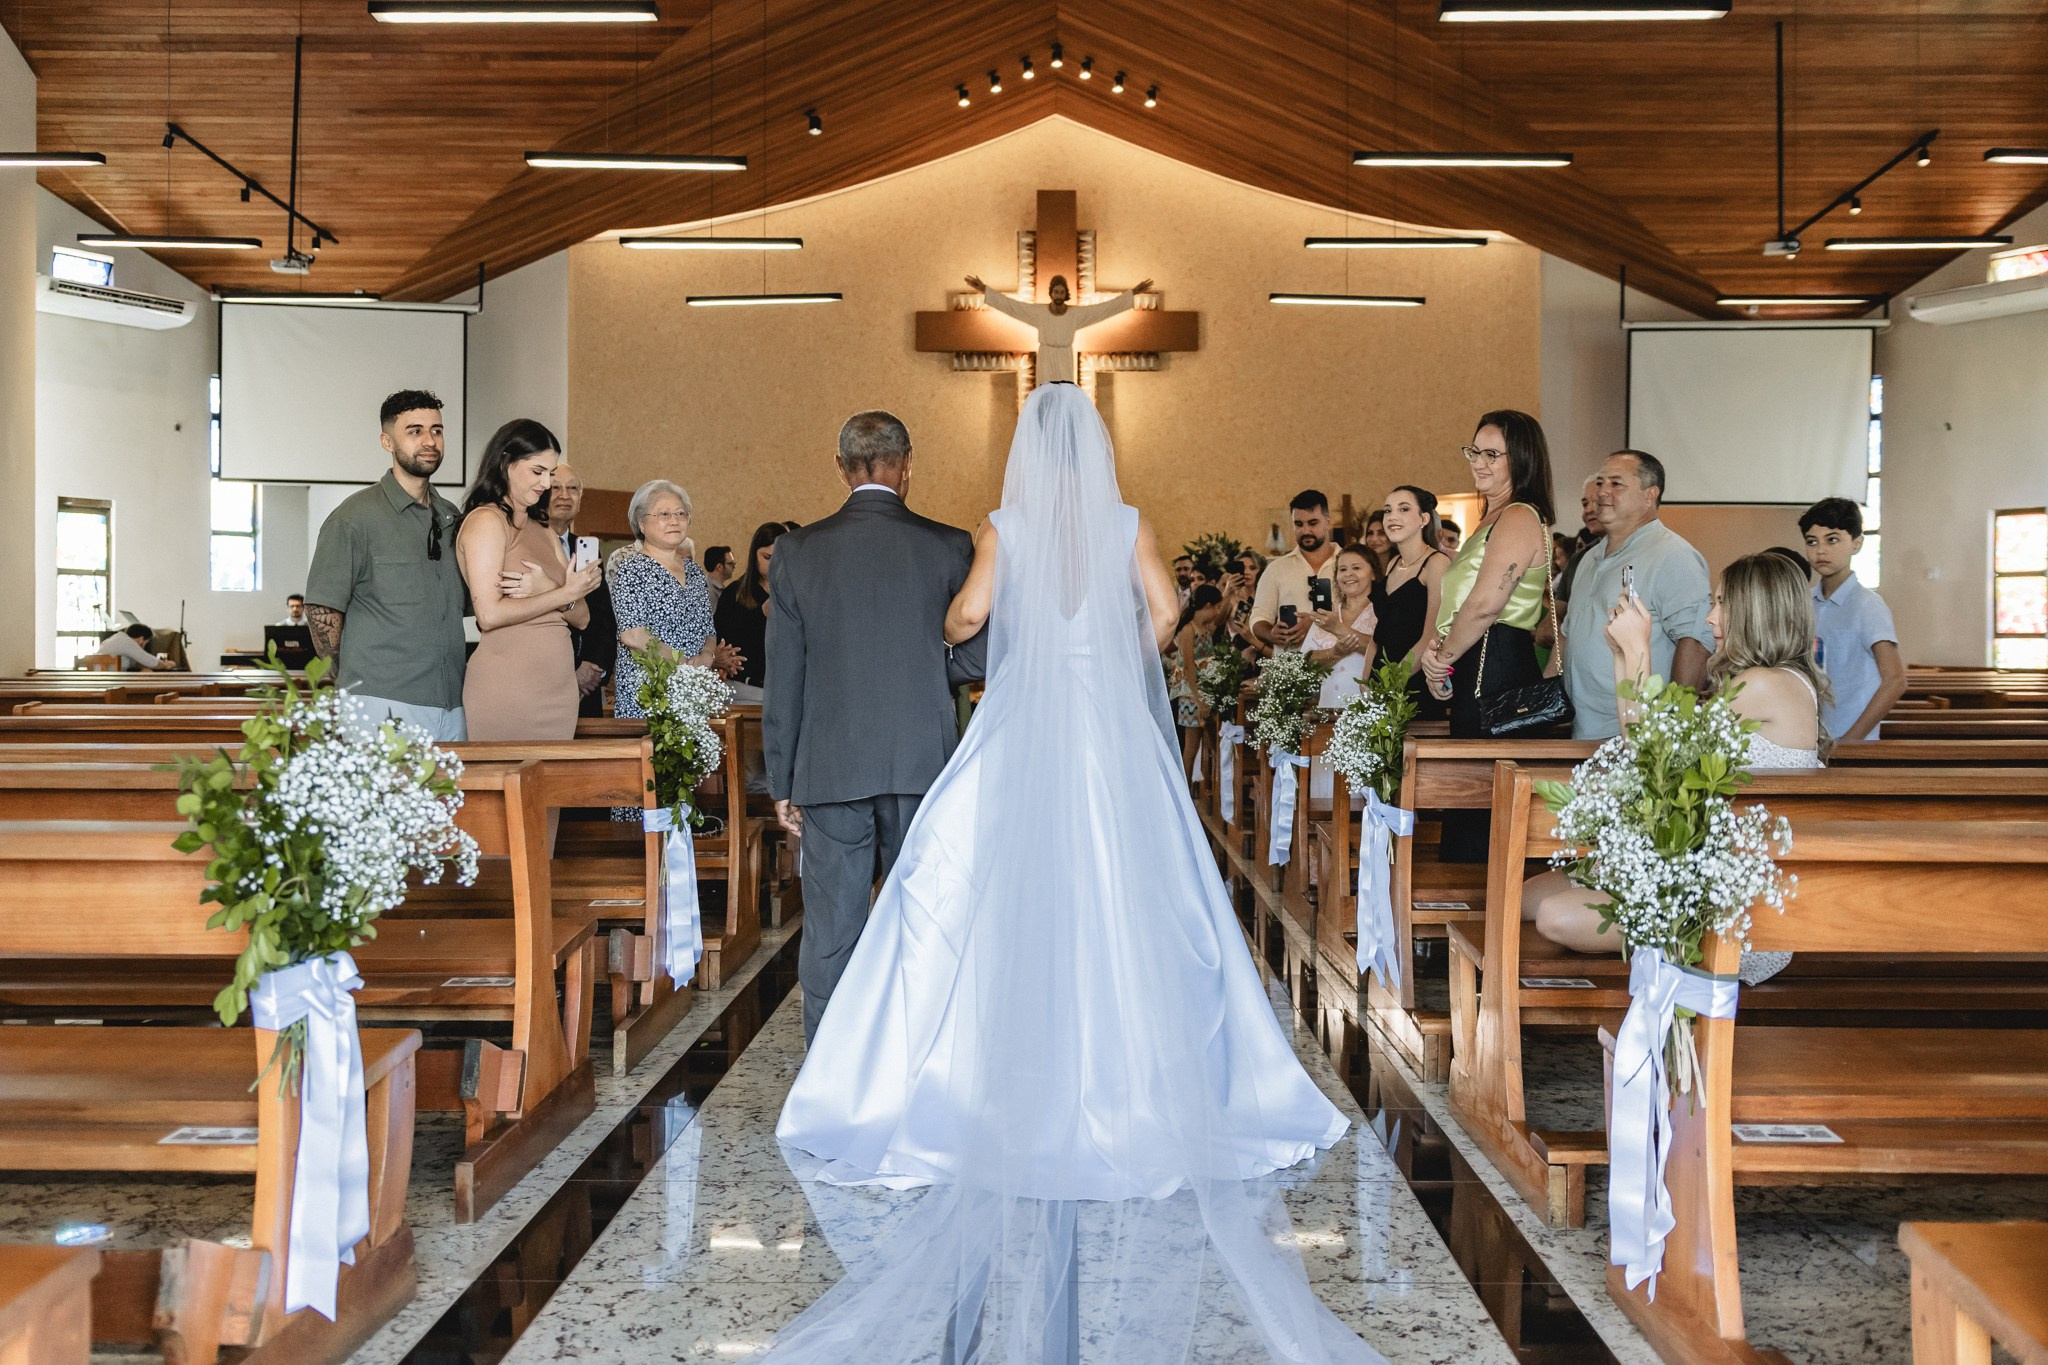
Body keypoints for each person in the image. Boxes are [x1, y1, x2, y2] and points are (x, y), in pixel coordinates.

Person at [767, 383, 1371, 1365]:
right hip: (1107, 731)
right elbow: (1168, 610)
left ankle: (977, 1075)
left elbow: (965, 618)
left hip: (1021, 729)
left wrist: (996, 638)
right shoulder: (1125, 520)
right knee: (1130, 891)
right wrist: (1109, 654)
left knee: (974, 889)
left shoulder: (999, 524)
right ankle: (1135, 1079)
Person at [764, 410, 987, 1041]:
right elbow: (979, 651)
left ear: (840, 467)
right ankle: (925, 1058)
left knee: (832, 928)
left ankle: (831, 1072)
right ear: (908, 462)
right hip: (923, 757)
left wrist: (781, 779)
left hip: (829, 763)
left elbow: (785, 673)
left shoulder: (797, 549)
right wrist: (925, 666)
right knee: (928, 915)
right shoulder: (948, 545)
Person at [1525, 553, 1828, 985]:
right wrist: (1622, 657)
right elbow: (1640, 746)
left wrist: (1641, 649)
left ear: (1755, 613)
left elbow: (1655, 758)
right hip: (1702, 868)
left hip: (1737, 908)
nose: (1710, 618)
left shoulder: (1764, 684)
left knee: (1554, 916)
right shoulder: (1768, 680)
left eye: (1722, 604)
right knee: (1530, 898)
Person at [1419, 412, 1556, 862]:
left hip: (1495, 660)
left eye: (1492, 454)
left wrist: (1441, 658)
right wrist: (1441, 655)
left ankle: (1485, 905)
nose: (1478, 462)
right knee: (1472, 789)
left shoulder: (1518, 515)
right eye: (1474, 451)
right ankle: (1471, 902)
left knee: (1483, 790)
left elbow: (1484, 605)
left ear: (1522, 460)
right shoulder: (1490, 516)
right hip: (1476, 656)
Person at [304, 390, 468, 741]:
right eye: (414, 431)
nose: (429, 441)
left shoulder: (451, 517)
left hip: (452, 702)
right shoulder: (354, 518)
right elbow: (322, 611)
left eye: (436, 431)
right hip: (380, 702)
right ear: (386, 441)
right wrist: (351, 683)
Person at [454, 420, 601, 742]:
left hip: (558, 691)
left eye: (550, 473)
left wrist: (549, 589)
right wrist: (560, 593)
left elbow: (583, 617)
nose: (547, 483)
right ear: (506, 463)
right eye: (538, 472)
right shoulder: (486, 521)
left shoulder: (544, 528)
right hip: (509, 688)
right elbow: (489, 616)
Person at [1558, 449, 1714, 741]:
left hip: (1636, 737)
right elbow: (1568, 636)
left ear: (1649, 495)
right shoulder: (1588, 559)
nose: (1602, 492)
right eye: (1601, 483)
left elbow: (1694, 643)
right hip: (1578, 730)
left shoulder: (1673, 555)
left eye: (1616, 484)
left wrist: (1673, 729)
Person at [611, 481, 741, 748]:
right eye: (664, 514)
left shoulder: (693, 572)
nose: (674, 521)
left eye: (681, 514)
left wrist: (707, 656)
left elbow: (708, 628)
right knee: (650, 778)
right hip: (648, 691)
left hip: (691, 690)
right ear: (642, 524)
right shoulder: (630, 569)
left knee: (691, 778)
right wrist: (683, 662)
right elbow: (633, 634)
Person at [1801, 497, 1904, 742]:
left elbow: (1896, 680)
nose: (1821, 550)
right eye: (1812, 542)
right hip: (1807, 738)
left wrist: (1851, 740)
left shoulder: (1868, 605)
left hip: (1850, 741)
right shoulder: (1803, 602)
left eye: (1832, 539)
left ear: (1856, 544)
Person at [963, 272, 1153, 387]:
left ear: (1066, 294)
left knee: (1065, 393)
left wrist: (1132, 293)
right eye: (1056, 291)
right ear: (1051, 293)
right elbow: (1011, 306)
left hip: (1064, 358)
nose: (1059, 295)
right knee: (1046, 394)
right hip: (1046, 357)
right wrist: (985, 290)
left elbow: (1102, 310)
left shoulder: (1074, 315)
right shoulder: (1039, 313)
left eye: (1062, 292)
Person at [1370, 484, 1449, 718]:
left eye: (1403, 509)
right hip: (1382, 680)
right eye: (1387, 511)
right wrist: (1368, 683)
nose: (1392, 517)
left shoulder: (1436, 563)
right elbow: (1380, 632)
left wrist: (1393, 684)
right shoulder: (1393, 563)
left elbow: (1432, 635)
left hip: (1413, 683)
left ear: (1424, 519)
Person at [546, 462, 617, 718]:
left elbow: (604, 619)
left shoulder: (585, 549)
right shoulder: (524, 546)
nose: (565, 495)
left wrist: (593, 668)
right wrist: (572, 672)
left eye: (573, 488)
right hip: (542, 686)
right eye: (556, 488)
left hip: (586, 691)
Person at [1248, 490, 1339, 651]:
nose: (1305, 531)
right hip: (1290, 669)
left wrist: (1316, 622)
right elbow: (1258, 617)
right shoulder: (1276, 569)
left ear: (1328, 522)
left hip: (1340, 666)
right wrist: (1271, 634)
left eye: (1313, 523)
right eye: (1299, 524)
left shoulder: (1350, 564)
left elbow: (1365, 616)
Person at [713, 521, 782, 703]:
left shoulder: (796, 591)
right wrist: (762, 615)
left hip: (785, 687)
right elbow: (723, 641)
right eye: (767, 557)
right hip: (746, 688)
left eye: (780, 557)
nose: (774, 564)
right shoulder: (735, 593)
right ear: (754, 555)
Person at [1554, 476, 1604, 611]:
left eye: (1597, 501)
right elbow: (1558, 614)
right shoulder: (1578, 559)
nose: (1588, 510)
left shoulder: (1641, 555)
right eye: (1585, 504)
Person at [97, 622, 174, 671]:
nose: (144, 647)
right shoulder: (128, 642)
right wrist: (166, 665)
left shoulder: (118, 637)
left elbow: (139, 661)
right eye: (145, 643)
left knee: (145, 671)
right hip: (112, 683)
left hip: (100, 678)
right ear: (141, 639)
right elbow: (151, 662)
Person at [1361, 509, 1392, 577]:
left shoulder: (1403, 565)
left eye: (1381, 533)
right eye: (1370, 533)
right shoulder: (1361, 565)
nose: (1374, 539)